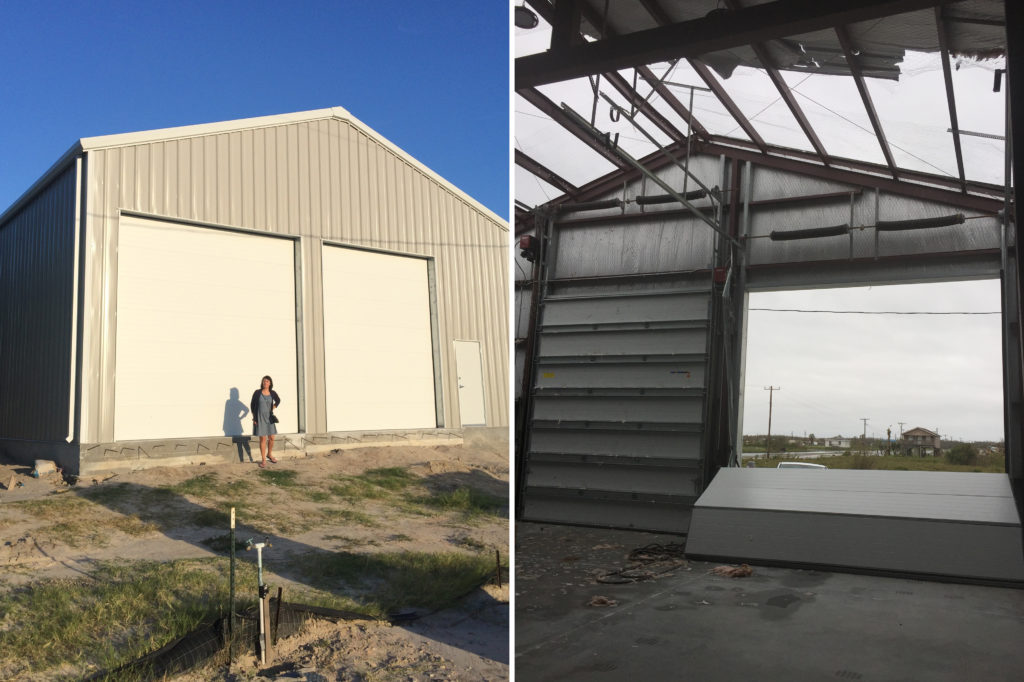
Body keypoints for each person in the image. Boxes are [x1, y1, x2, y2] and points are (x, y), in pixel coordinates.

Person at [251, 375, 281, 468]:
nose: (265, 383)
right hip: (260, 418)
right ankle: (264, 459)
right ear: (262, 383)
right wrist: (255, 418)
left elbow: (278, 401)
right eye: (264, 381)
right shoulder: (257, 393)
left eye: (267, 381)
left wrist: (273, 407)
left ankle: (269, 454)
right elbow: (252, 405)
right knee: (263, 439)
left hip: (269, 418)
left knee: (272, 438)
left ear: (270, 383)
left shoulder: (272, 393)